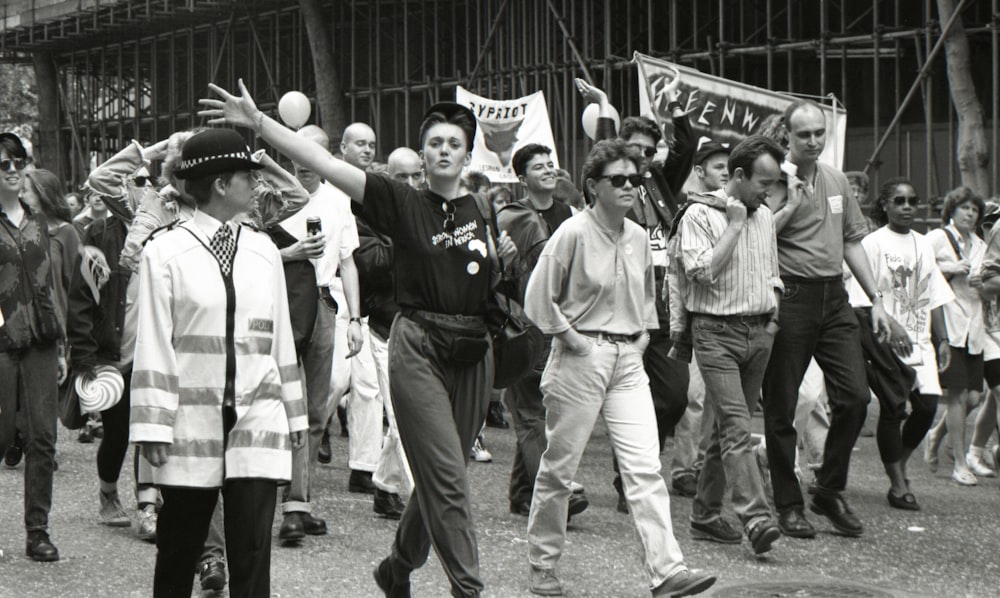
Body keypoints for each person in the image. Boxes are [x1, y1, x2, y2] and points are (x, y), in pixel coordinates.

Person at [200, 81, 516, 597]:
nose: (443, 151)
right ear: (422, 151)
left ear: (466, 152)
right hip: (419, 350)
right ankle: (469, 588)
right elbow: (322, 163)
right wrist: (260, 124)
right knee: (449, 482)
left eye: (453, 143)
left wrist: (499, 258)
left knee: (445, 476)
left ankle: (395, 568)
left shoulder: (482, 205)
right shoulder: (399, 200)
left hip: (474, 351)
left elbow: (484, 276)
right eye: (434, 142)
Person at [522, 138, 715, 597]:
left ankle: (667, 572)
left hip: (629, 361)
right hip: (580, 358)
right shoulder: (571, 232)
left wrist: (644, 333)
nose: (631, 186)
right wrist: (573, 339)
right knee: (559, 470)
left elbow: (646, 296)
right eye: (620, 180)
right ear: (593, 186)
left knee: (645, 468)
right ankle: (542, 565)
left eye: (636, 178)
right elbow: (536, 300)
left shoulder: (636, 235)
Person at [130, 128, 307, 598]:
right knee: (178, 553)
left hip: (258, 421)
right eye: (249, 176)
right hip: (189, 426)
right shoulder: (164, 251)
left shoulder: (263, 249)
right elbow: (153, 343)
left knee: (251, 558)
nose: (258, 184)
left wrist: (295, 412)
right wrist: (152, 426)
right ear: (221, 185)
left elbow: (281, 339)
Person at [762, 100, 898, 539]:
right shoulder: (774, 181)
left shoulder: (838, 179)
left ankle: (829, 490)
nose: (814, 141)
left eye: (819, 133)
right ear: (788, 135)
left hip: (835, 299)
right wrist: (789, 202)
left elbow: (853, 241)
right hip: (793, 296)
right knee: (783, 406)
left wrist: (877, 299)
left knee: (856, 398)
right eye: (804, 134)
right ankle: (788, 502)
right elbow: (757, 236)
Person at [576, 78, 697, 511]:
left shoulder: (662, 184)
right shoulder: (614, 186)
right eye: (635, 149)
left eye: (650, 150)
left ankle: (640, 464)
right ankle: (630, 477)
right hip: (619, 314)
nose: (642, 158)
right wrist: (605, 105)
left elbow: (688, 145)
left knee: (674, 398)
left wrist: (676, 107)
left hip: (662, 315)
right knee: (603, 403)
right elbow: (606, 148)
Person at [674, 135, 784, 555]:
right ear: (738, 176)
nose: (768, 192)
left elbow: (772, 270)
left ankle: (704, 516)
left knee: (725, 431)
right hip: (716, 333)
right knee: (738, 427)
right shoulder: (700, 214)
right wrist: (735, 224)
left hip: (759, 333)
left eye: (773, 184)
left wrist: (773, 312)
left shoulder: (766, 216)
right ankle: (755, 516)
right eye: (763, 183)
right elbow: (702, 272)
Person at [273, 123, 363, 544]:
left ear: (325, 158)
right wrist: (289, 253)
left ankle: (298, 504)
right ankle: (275, 495)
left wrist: (356, 320)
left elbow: (348, 262)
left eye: (310, 155)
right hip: (279, 307)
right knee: (278, 407)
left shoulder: (339, 200)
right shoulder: (270, 196)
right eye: (295, 154)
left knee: (314, 409)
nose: (300, 163)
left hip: (324, 307)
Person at [847, 177, 953, 508]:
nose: (907, 207)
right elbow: (862, 300)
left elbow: (934, 295)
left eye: (912, 201)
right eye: (899, 200)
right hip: (885, 339)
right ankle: (897, 485)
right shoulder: (873, 243)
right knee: (894, 407)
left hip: (921, 339)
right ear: (886, 205)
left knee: (928, 405)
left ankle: (900, 463)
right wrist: (891, 327)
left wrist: (944, 338)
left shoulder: (924, 244)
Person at [497, 143, 588, 520]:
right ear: (522, 178)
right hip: (526, 324)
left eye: (552, 164)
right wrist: (503, 260)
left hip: (565, 322)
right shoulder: (512, 217)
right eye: (539, 167)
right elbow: (500, 274)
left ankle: (522, 493)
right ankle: (554, 495)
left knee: (539, 412)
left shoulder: (571, 214)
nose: (550, 170)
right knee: (532, 413)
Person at [0, 132, 65, 562]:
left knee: (43, 438)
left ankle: (37, 531)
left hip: (41, 341)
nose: (10, 169)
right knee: (2, 435)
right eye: (1, 163)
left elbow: (48, 284)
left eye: (16, 160)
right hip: (3, 344)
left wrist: (61, 347)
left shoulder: (38, 221)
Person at [668, 139, 731, 499]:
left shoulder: (740, 210)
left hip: (730, 319)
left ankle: (704, 468)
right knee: (692, 397)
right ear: (699, 171)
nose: (724, 170)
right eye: (717, 164)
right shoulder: (688, 211)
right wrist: (679, 325)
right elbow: (680, 277)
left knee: (715, 402)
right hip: (696, 318)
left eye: (728, 165)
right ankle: (683, 469)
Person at [923, 186, 987, 485]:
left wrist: (981, 282)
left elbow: (987, 284)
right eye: (965, 208)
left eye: (974, 210)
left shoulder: (979, 244)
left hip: (974, 327)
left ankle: (936, 434)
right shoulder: (937, 238)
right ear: (952, 210)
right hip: (948, 325)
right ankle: (960, 464)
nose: (970, 214)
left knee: (975, 397)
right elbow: (920, 271)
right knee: (958, 396)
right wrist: (951, 269)